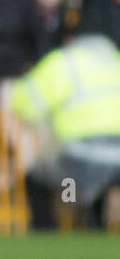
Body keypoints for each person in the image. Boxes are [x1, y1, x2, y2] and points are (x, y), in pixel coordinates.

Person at [11, 35, 120, 231]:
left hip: (80, 159)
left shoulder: (64, 62)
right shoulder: (116, 60)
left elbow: (24, 104)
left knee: (37, 179)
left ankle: (47, 236)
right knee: (100, 185)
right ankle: (96, 228)